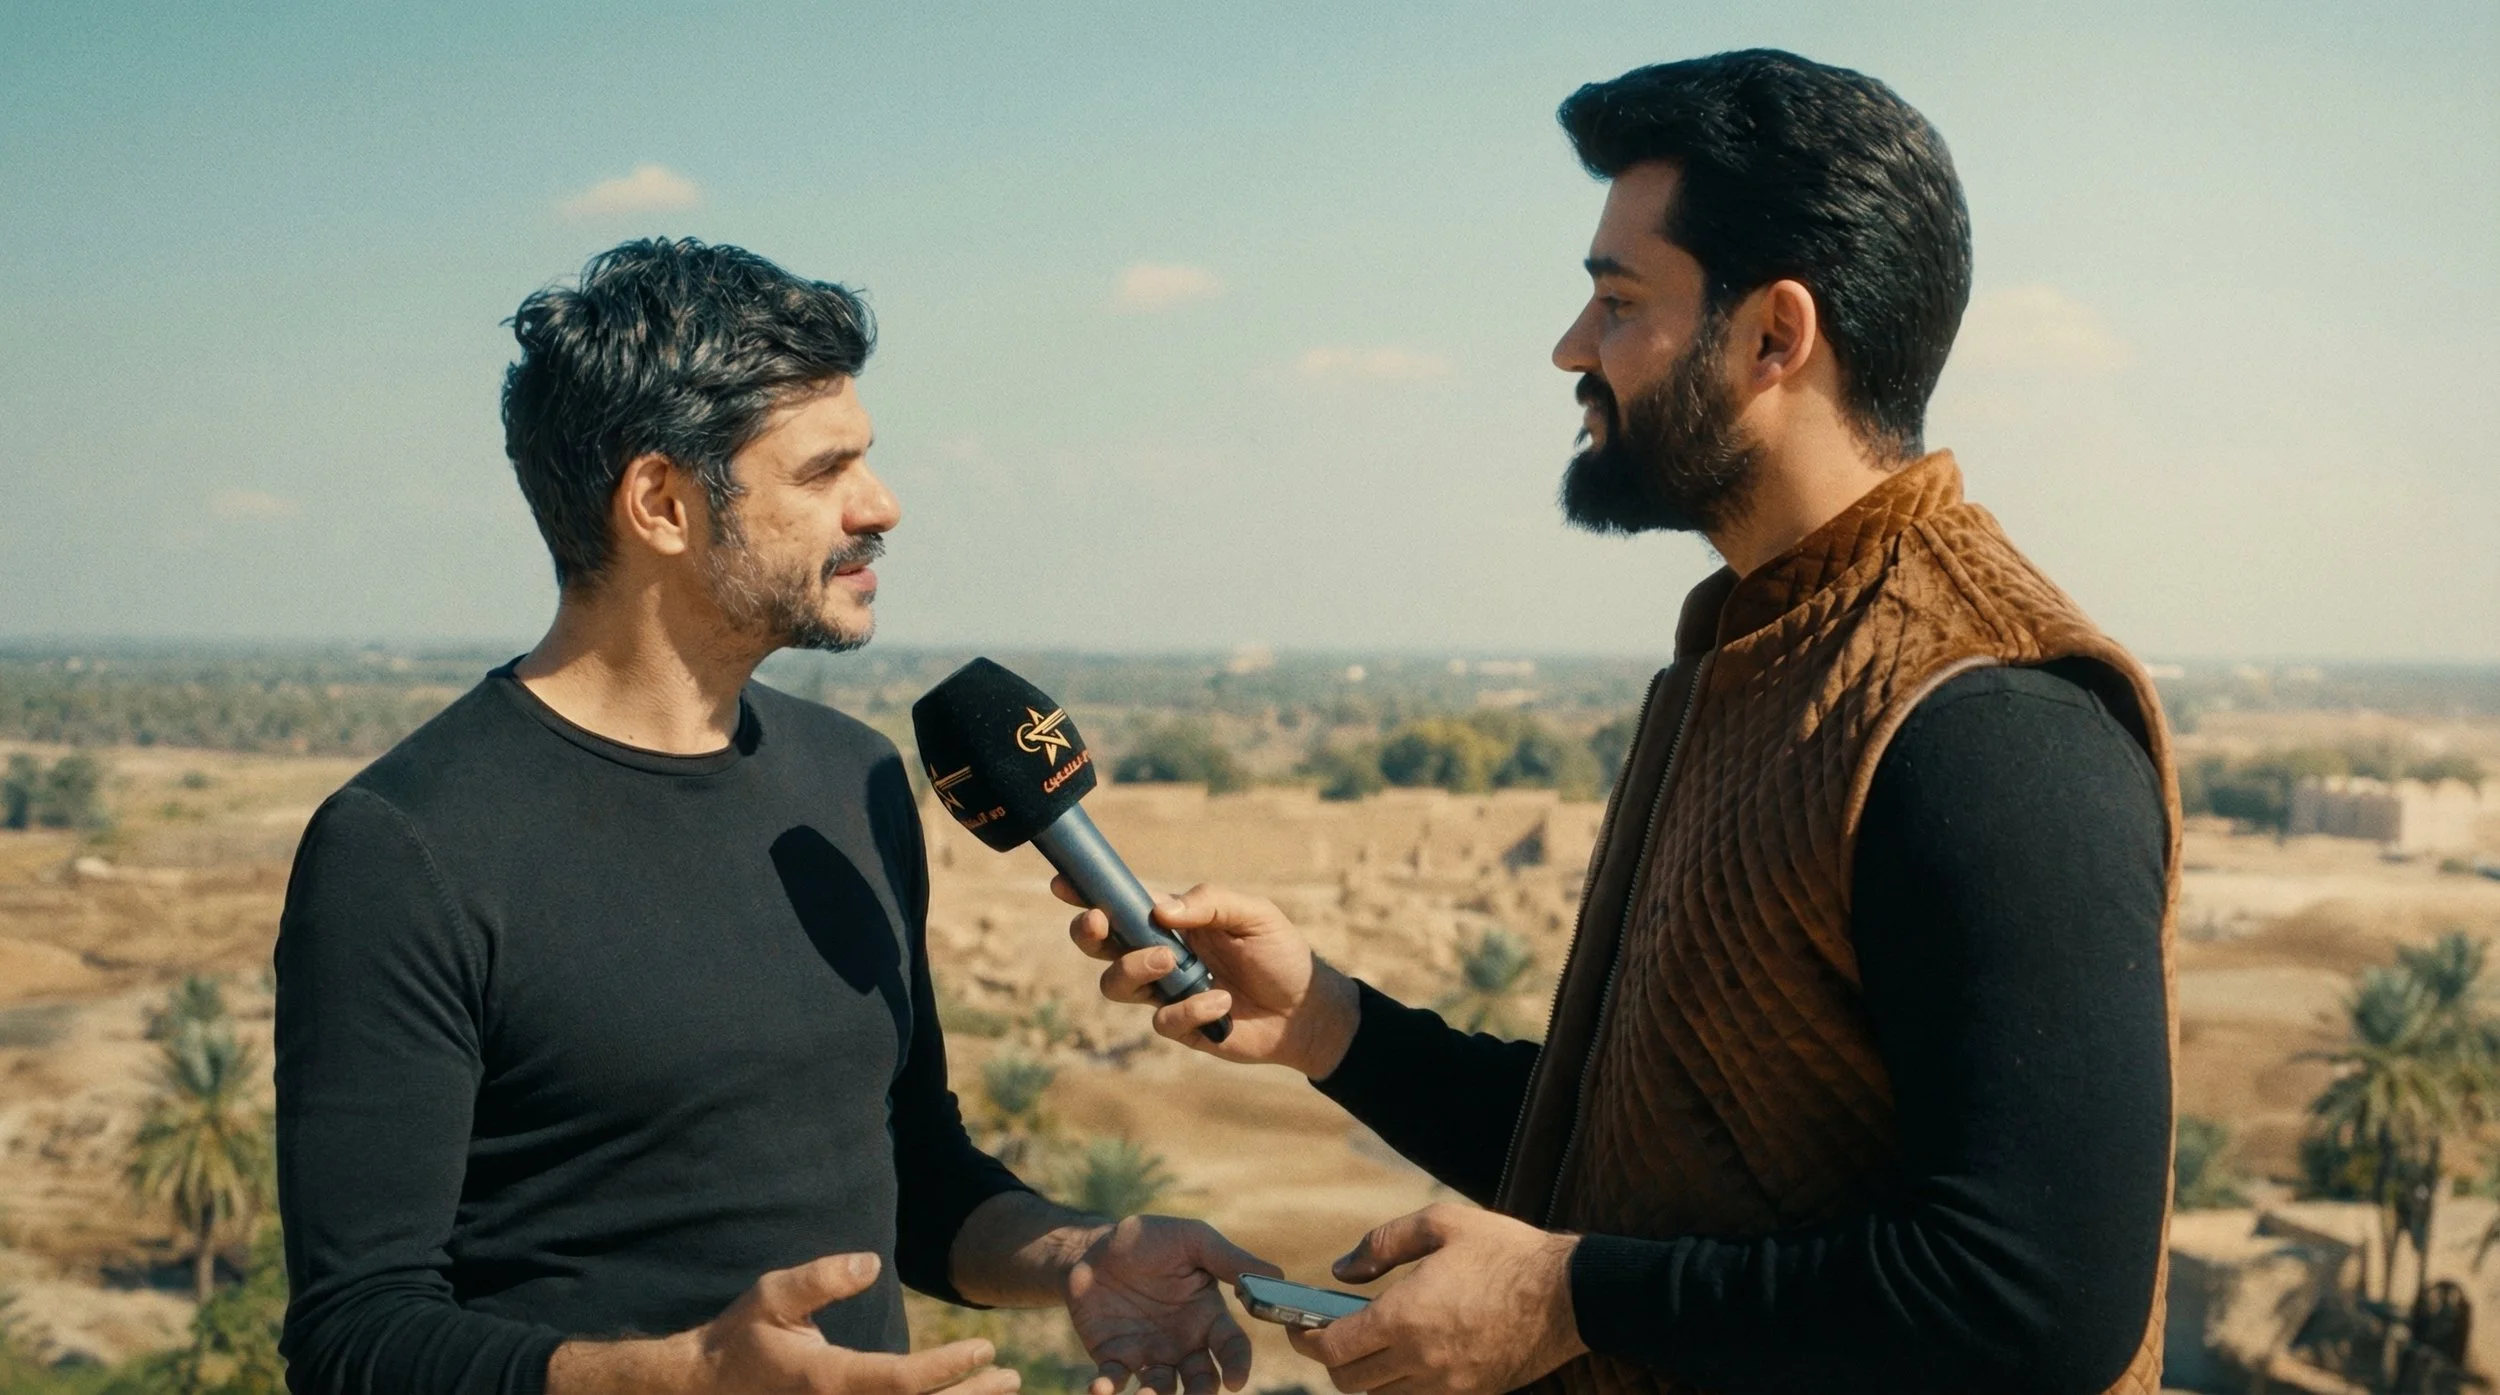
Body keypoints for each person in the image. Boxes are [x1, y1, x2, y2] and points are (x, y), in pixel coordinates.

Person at [1063, 50, 2177, 1395]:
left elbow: (2037, 1298)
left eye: (1617, 300)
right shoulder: (1758, 645)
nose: (1573, 348)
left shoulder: (1984, 719)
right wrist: (1329, 1024)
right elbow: (1659, 1145)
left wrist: (1569, 1292)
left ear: (1775, 335)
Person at [274, 239, 1273, 1395]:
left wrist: (1080, 1257)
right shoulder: (407, 848)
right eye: (822, 471)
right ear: (662, 502)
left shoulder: (851, 780)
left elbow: (911, 1167)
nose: (881, 504)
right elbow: (355, 1336)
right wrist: (684, 1380)